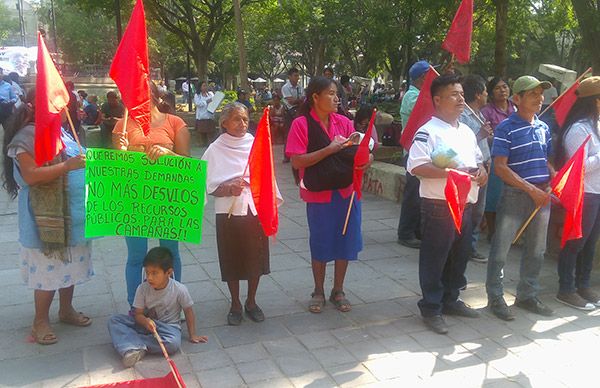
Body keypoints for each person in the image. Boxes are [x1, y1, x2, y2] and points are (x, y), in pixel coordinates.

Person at [2, 91, 93, 345]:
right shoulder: (25, 138)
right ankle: (40, 321)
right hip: (44, 221)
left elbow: (84, 161)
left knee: (70, 267)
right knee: (48, 272)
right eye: (56, 106)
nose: (62, 111)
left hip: (73, 217)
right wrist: (67, 166)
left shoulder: (64, 132)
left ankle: (66, 310)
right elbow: (30, 175)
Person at [407, 74, 487, 334]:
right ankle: (431, 307)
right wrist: (452, 173)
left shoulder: (465, 131)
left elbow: (477, 161)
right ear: (437, 100)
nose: (461, 98)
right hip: (439, 205)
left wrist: (482, 172)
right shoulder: (427, 131)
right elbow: (417, 166)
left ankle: (451, 298)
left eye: (462, 93)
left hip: (466, 203)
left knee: (460, 254)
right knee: (435, 257)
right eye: (454, 94)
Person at [286, 76, 373, 314]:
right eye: (331, 93)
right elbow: (296, 160)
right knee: (321, 241)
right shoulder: (301, 124)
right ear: (315, 97)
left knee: (345, 240)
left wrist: (368, 158)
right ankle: (318, 290)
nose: (337, 98)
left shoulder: (344, 122)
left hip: (346, 191)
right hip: (319, 193)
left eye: (337, 94)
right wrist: (329, 149)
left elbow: (357, 152)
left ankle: (338, 289)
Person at [202, 102, 282, 325]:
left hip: (253, 208)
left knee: (255, 257)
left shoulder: (255, 145)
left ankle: (251, 301)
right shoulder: (215, 150)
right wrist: (228, 188)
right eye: (237, 119)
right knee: (232, 258)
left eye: (245, 119)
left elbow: (266, 176)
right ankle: (235, 303)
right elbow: (207, 185)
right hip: (227, 212)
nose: (242, 123)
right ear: (224, 123)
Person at [112, 82, 191, 308]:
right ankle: (134, 306)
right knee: (136, 256)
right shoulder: (122, 125)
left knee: (170, 253)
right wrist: (121, 152)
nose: (138, 100)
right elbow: (117, 168)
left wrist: (168, 153)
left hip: (167, 200)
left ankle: (174, 304)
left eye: (143, 95)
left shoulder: (175, 123)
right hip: (135, 200)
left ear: (156, 97)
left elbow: (188, 164)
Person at [486, 76, 555, 321]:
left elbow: (543, 159)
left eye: (540, 93)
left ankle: (527, 294)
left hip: (541, 196)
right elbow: (501, 167)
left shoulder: (543, 127)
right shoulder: (506, 128)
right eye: (533, 94)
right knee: (501, 248)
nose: (540, 99)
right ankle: (495, 296)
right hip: (516, 195)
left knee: (537, 249)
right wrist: (530, 190)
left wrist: (552, 175)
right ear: (517, 98)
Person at [107, 247, 207, 367]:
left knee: (173, 344)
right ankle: (136, 345)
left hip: (168, 328)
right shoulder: (142, 288)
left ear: (168, 273)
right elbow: (137, 314)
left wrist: (192, 335)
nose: (149, 277)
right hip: (146, 324)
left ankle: (133, 345)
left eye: (154, 273)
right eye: (147, 272)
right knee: (114, 320)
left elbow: (188, 311)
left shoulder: (179, 289)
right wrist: (145, 321)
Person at [554, 76, 600, 310]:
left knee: (591, 243)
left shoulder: (596, 125)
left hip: (597, 193)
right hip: (585, 194)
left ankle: (583, 285)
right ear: (595, 101)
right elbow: (576, 167)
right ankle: (566, 289)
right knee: (576, 243)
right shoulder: (578, 129)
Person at [459, 75, 493, 263]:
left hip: (484, 165)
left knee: (478, 211)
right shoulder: (463, 114)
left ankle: (469, 246)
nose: (487, 95)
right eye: (486, 91)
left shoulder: (479, 114)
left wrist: (486, 137)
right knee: (470, 210)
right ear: (479, 94)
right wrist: (480, 134)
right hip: (472, 169)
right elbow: (462, 140)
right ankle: (466, 247)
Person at [397, 60, 430, 249]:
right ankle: (406, 232)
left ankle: (416, 230)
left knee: (419, 194)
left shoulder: (418, 94)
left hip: (420, 152)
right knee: (412, 195)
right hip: (412, 152)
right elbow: (426, 107)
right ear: (423, 77)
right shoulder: (412, 96)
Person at [481, 77, 516, 241]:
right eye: (497, 88)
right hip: (496, 157)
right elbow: (484, 135)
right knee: (493, 196)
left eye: (505, 87)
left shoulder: (516, 108)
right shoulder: (487, 111)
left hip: (515, 158)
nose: (502, 90)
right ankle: (492, 231)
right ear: (491, 92)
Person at [281, 68, 305, 162]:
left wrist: (297, 101)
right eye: (295, 75)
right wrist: (299, 100)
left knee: (299, 132)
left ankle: (299, 153)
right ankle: (286, 156)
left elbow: (303, 99)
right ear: (289, 77)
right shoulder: (285, 87)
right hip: (289, 112)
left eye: (298, 75)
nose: (297, 78)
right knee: (288, 134)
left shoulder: (300, 87)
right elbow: (290, 102)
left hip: (299, 111)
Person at [194, 81, 216, 146]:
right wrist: (206, 101)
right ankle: (202, 144)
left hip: (209, 116)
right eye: (203, 86)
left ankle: (210, 145)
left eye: (206, 86)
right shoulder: (197, 95)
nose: (205, 87)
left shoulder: (211, 94)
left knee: (210, 133)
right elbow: (198, 104)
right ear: (200, 87)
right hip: (201, 117)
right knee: (201, 133)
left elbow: (215, 102)